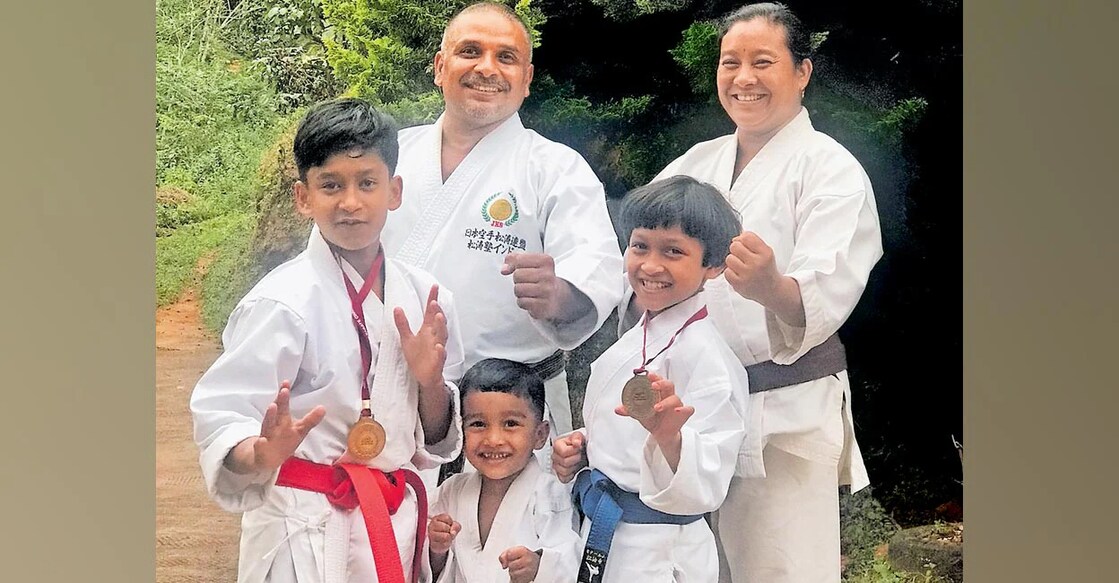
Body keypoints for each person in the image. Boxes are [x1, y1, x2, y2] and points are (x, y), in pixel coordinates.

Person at [652, 3, 885, 582]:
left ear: (802, 71)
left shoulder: (832, 169)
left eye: (763, 62)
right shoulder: (695, 164)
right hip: (690, 412)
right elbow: (640, 260)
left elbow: (827, 290)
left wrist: (771, 287)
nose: (743, 78)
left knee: (784, 571)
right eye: (730, 63)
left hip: (782, 412)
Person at [190, 98, 466, 583]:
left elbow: (438, 438)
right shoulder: (280, 303)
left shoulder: (427, 297)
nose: (351, 202)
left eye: (367, 183)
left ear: (394, 191)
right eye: (331, 185)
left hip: (392, 521)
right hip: (303, 524)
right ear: (303, 197)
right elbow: (223, 414)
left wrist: (430, 384)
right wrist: (259, 452)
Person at [380, 1, 624, 479]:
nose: (486, 68)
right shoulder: (387, 158)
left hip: (506, 415)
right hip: (391, 393)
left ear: (527, 78)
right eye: (470, 51)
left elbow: (596, 270)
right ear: (439, 67)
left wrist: (558, 295)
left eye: (506, 57)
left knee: (514, 548)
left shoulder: (555, 168)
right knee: (393, 543)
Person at [551, 176, 750, 582]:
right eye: (639, 245)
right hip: (609, 531)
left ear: (712, 266)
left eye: (673, 251)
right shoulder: (640, 335)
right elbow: (621, 433)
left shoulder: (708, 356)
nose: (650, 265)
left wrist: (671, 439)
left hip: (661, 548)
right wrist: (584, 446)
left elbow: (710, 477)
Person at [426, 358, 581, 583]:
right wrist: (436, 550)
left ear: (540, 434)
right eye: (478, 424)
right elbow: (424, 566)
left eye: (510, 424)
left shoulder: (550, 494)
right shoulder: (451, 491)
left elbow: (569, 560)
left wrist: (538, 566)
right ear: (460, 430)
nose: (494, 439)